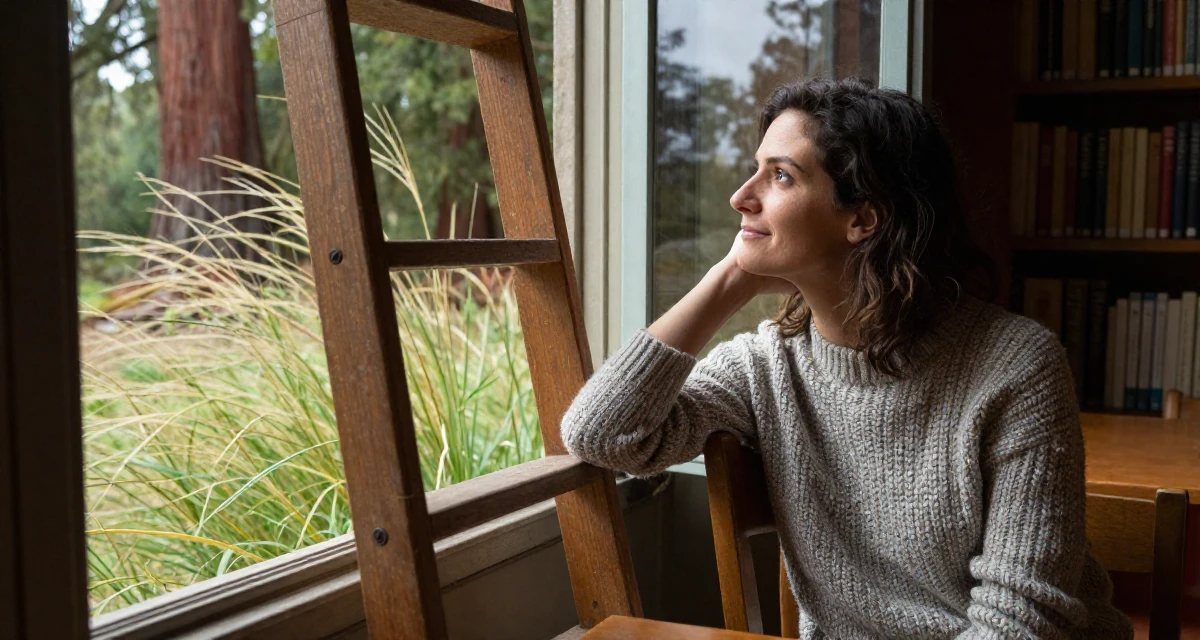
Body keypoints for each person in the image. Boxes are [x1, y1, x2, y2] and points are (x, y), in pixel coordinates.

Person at [560, 77, 1132, 639]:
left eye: (780, 175)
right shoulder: (768, 366)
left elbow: (1020, 625)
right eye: (755, 168)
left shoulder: (1015, 366)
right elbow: (603, 434)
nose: (741, 196)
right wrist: (726, 281)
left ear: (863, 218)